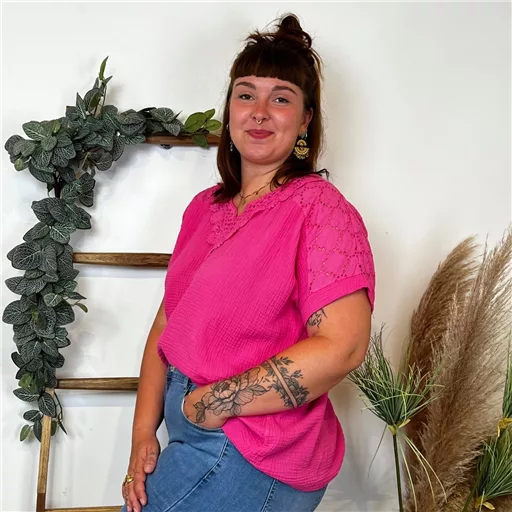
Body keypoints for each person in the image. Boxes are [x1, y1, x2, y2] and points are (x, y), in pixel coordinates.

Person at [120, 13, 375, 512]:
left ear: (305, 120)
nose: (259, 112)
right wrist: (142, 432)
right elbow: (168, 324)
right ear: (229, 108)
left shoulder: (320, 209)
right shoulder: (204, 208)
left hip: (253, 447)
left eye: (280, 98)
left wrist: (210, 404)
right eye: (246, 94)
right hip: (194, 431)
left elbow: (342, 347)